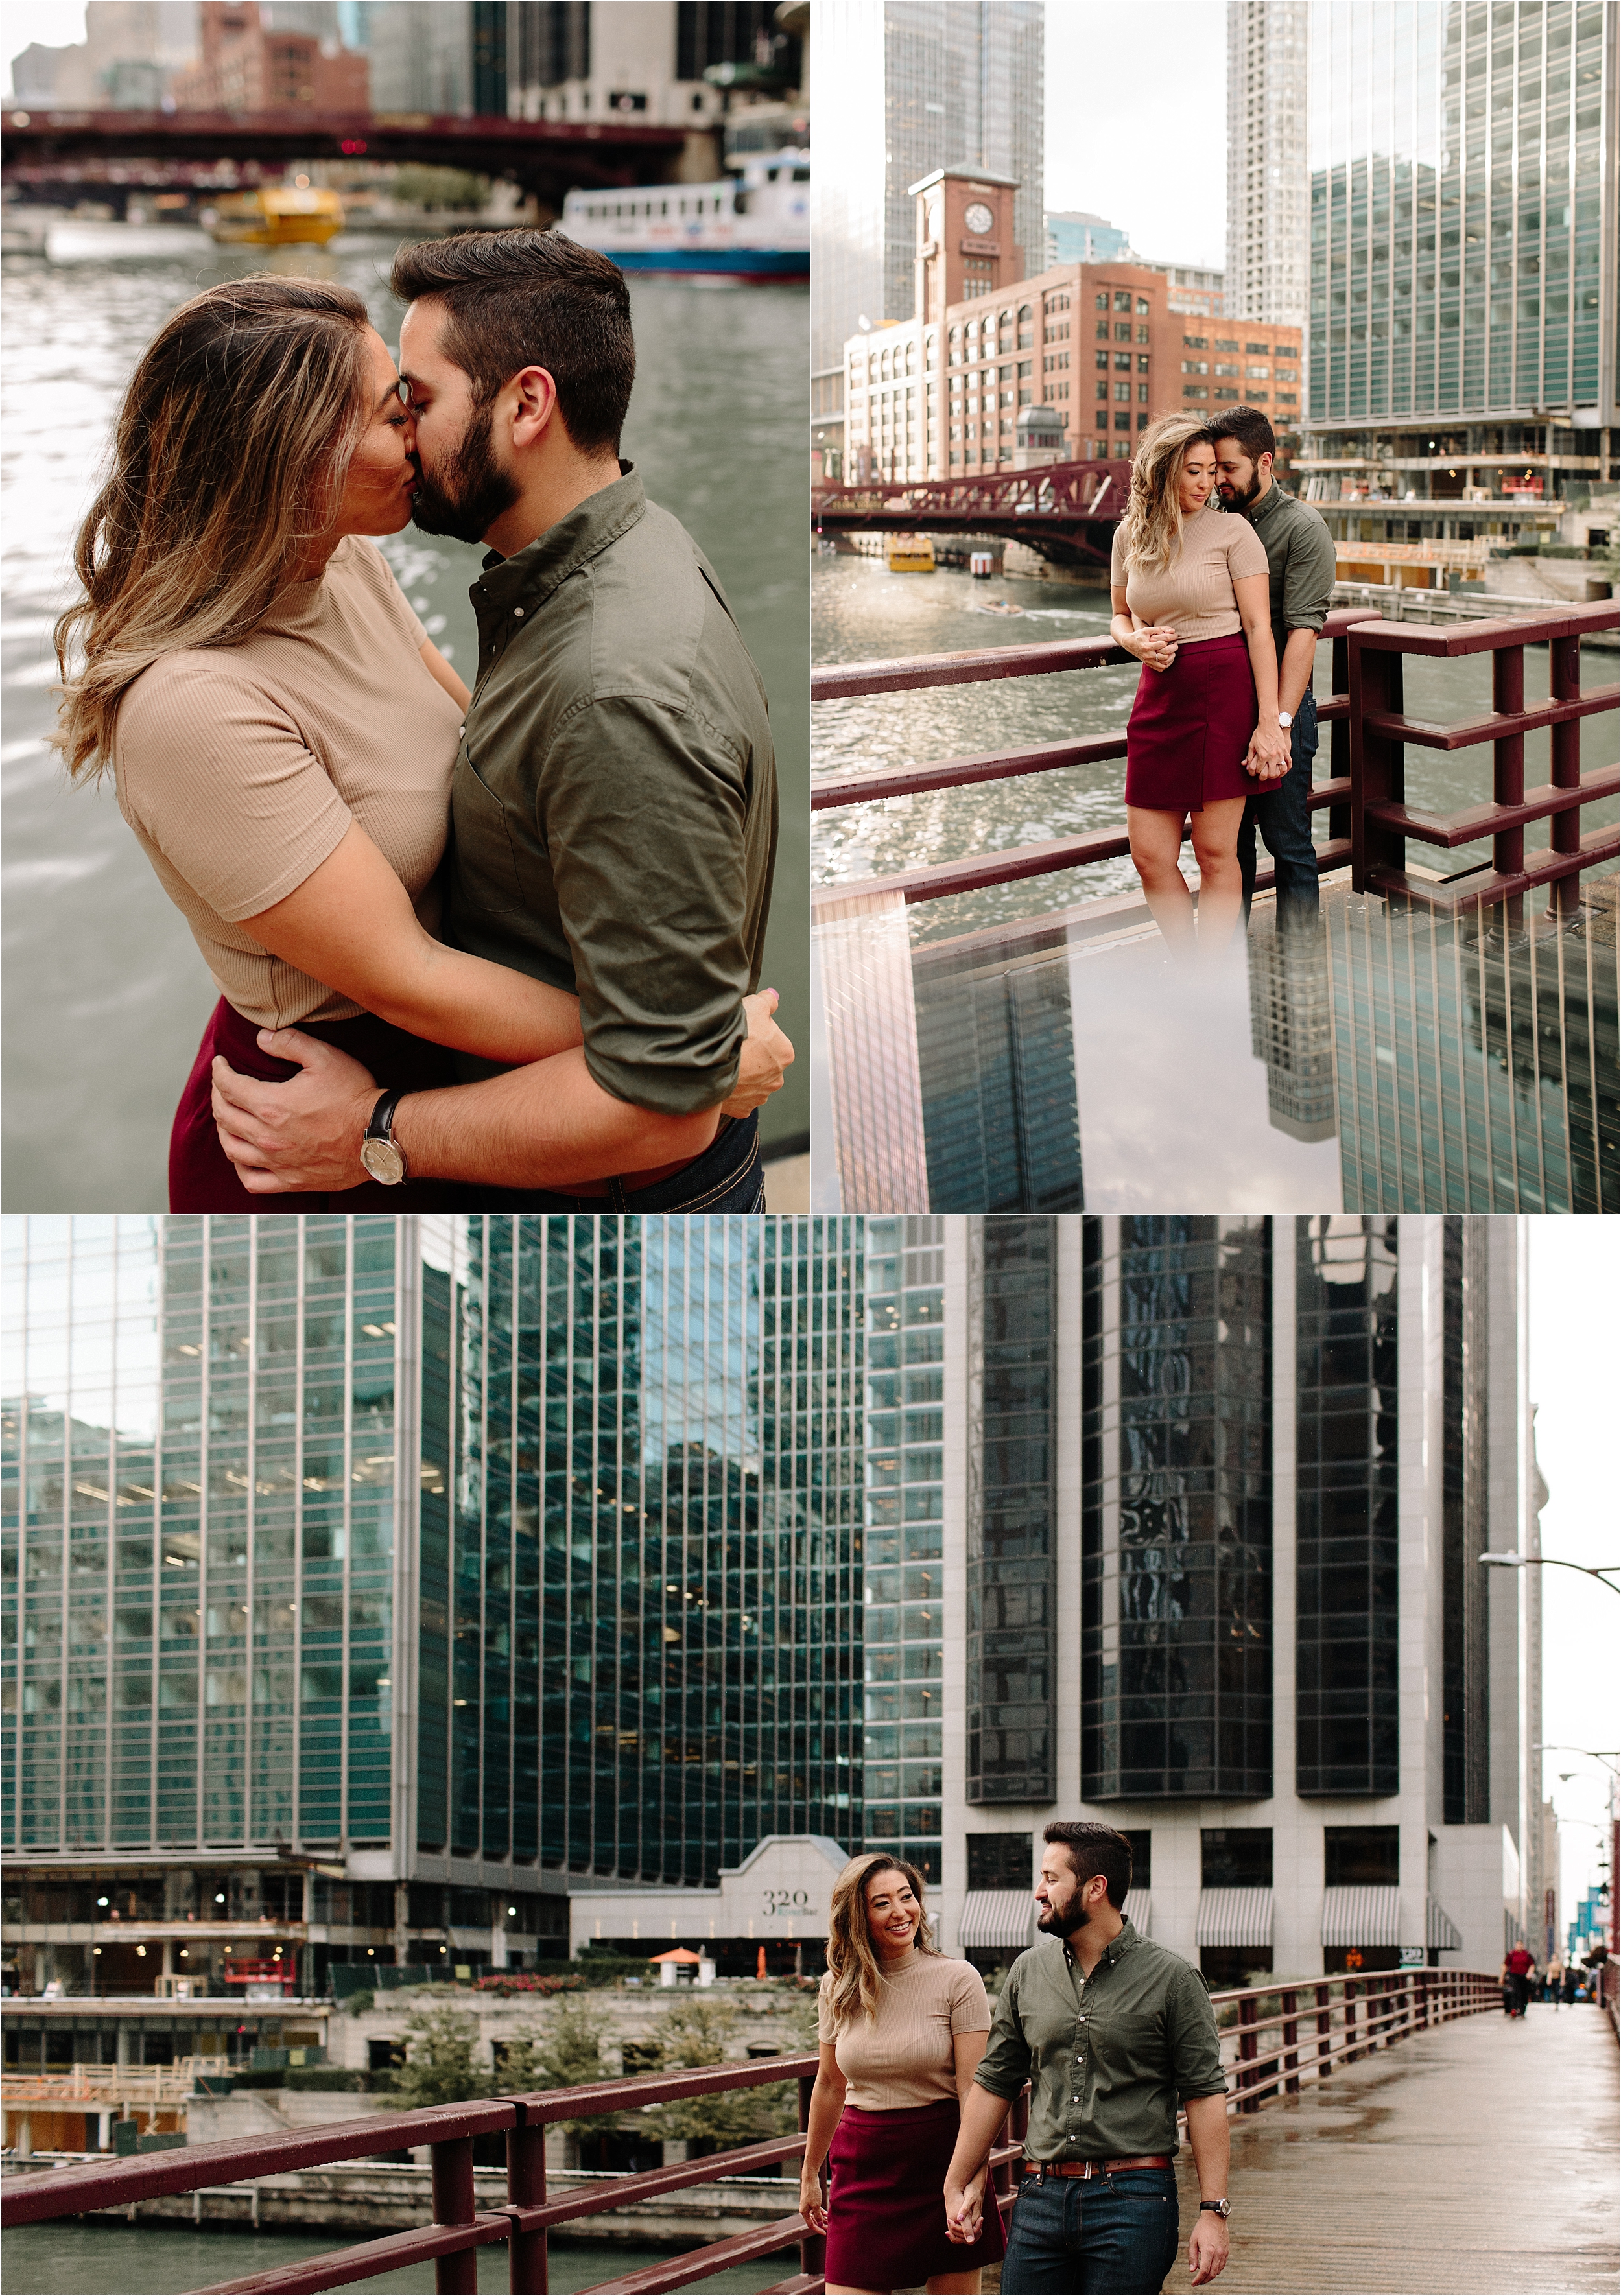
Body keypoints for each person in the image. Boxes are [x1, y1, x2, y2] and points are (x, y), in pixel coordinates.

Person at [51, 263, 788, 1210]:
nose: (413, 432)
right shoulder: (193, 706)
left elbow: (474, 740)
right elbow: (410, 974)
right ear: (292, 459)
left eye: (411, 397)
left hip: (448, 1079)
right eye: (390, 411)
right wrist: (694, 1046)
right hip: (312, 1119)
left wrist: (670, 1036)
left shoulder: (344, 562)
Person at [942, 1822, 1232, 2295]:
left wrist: (1213, 2211)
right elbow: (994, 2082)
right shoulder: (1027, 1972)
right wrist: (959, 2182)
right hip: (1039, 2196)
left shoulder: (1173, 1979)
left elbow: (1203, 2095)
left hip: (1133, 2201)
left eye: (1052, 1879)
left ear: (1097, 1888)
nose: (1040, 1891)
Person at [1109, 416, 1292, 961]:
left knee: (1216, 854)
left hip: (1224, 688)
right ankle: (1188, 966)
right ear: (1162, 472)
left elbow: (1260, 629)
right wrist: (1134, 643)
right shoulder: (1129, 534)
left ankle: (1209, 977)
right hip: (1158, 694)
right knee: (1150, 856)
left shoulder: (1234, 532)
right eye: (1193, 471)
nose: (1206, 483)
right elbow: (1119, 616)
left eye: (1212, 471)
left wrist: (1269, 720)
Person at [799, 1854, 1004, 2296]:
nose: (900, 1912)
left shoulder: (958, 1978)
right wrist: (810, 2171)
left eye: (906, 1897)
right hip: (864, 2165)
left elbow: (974, 2090)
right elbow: (830, 2084)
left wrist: (973, 2180)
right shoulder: (837, 1986)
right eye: (882, 1903)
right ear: (858, 1916)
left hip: (945, 2160)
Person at [1209, 410, 1339, 929]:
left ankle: (1301, 964)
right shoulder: (1213, 520)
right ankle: (1227, 967)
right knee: (1227, 849)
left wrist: (1278, 725)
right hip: (1224, 705)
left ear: (1265, 462)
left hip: (1284, 708)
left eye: (1229, 467)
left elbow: (1302, 635)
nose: (1218, 480)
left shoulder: (1303, 528)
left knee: (1289, 844)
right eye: (1212, 468)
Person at [1502, 1941, 1534, 2017]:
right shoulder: (1511, 1954)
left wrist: (1529, 1974)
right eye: (1518, 1945)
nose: (1519, 1947)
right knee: (1515, 1992)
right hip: (1514, 1975)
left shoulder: (1527, 1954)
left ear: (1523, 1946)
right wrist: (1502, 1977)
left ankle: (1522, 2010)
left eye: (1520, 1945)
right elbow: (1506, 1965)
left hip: (1524, 1976)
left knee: (1523, 1993)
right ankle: (1514, 2009)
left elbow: (1532, 1965)